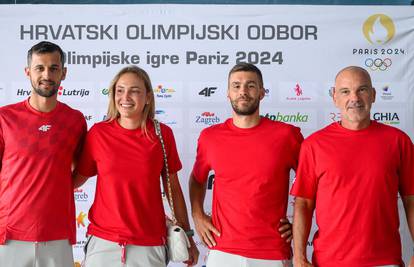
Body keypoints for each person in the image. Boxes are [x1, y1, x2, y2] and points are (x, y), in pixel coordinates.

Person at [73, 65, 199, 267]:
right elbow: (76, 179)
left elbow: (173, 189)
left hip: (148, 245)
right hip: (103, 244)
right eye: (120, 90)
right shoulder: (98, 134)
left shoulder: (162, 134)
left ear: (148, 97)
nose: (126, 97)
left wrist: (189, 236)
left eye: (135, 90)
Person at [291, 66, 414, 267]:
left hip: (384, 261)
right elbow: (303, 203)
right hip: (328, 262)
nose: (354, 98)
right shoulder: (314, 145)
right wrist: (299, 257)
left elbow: (411, 200)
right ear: (335, 98)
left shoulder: (398, 141)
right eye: (345, 91)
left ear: (373, 95)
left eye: (362, 89)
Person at [189, 63, 303, 267]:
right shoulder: (210, 137)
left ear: (261, 92)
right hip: (223, 249)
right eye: (236, 86)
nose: (243, 91)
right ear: (228, 93)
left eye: (250, 85)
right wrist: (197, 214)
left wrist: (298, 225)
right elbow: (197, 179)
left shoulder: (287, 136)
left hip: (272, 251)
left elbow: (312, 183)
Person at [0, 41, 87, 267]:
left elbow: (82, 170)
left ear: (64, 73)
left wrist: (58, 187)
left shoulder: (75, 120)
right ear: (28, 72)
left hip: (57, 234)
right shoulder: (5, 118)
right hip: (9, 235)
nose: (46, 74)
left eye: (54, 68)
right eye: (39, 68)